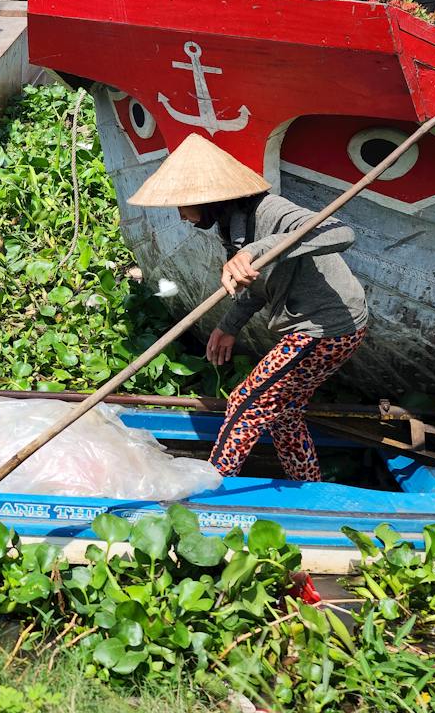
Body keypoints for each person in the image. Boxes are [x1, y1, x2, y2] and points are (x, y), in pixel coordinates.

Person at [128, 133, 368, 480]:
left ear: (208, 199)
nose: (181, 215)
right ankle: (308, 484)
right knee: (283, 412)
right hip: (313, 329)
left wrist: (256, 250)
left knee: (247, 402)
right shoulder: (233, 228)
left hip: (326, 329)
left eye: (183, 205)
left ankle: (214, 487)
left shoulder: (271, 211)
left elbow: (340, 233)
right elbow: (256, 288)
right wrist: (229, 325)